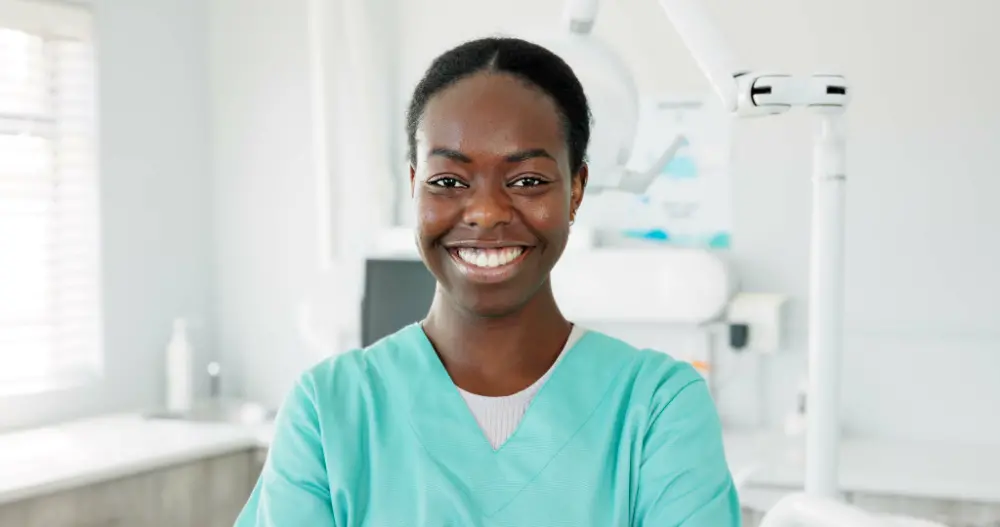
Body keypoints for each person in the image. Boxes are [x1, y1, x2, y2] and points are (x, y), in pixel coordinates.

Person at [235, 36, 741, 527]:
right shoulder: (329, 411)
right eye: (449, 182)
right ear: (415, 186)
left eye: (527, 181)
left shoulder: (658, 409)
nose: (485, 212)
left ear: (577, 190)